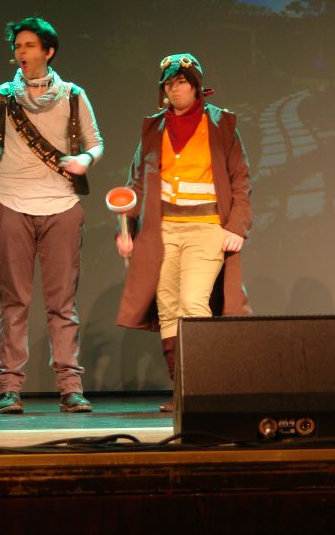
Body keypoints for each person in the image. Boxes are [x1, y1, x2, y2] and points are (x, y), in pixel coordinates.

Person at [0, 16, 103, 414]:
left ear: (49, 51)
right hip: (12, 205)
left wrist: (85, 159)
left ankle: (70, 386)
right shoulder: (1, 97)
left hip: (61, 207)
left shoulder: (74, 95)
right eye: (18, 47)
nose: (22, 53)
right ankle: (9, 387)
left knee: (62, 303)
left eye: (30, 46)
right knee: (14, 301)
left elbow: (95, 144)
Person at [115, 53, 252, 412]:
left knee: (193, 302)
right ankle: (183, 392)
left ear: (196, 86)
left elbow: (240, 179)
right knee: (168, 307)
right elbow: (136, 183)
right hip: (162, 230)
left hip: (206, 228)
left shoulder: (220, 125)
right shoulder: (155, 128)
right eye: (169, 84)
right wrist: (126, 227)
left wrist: (237, 226)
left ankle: (203, 388)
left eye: (182, 82)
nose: (175, 89)